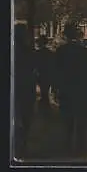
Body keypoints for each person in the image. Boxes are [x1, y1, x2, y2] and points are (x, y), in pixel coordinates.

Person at [54, 23, 87, 153]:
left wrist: (56, 88)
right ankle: (80, 147)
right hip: (81, 91)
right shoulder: (84, 51)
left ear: (66, 35)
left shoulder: (61, 51)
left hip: (66, 90)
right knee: (81, 120)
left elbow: (56, 71)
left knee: (67, 120)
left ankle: (67, 147)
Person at [13, 23, 37, 157]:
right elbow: (33, 68)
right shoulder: (28, 50)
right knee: (26, 115)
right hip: (26, 86)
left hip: (17, 86)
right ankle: (23, 143)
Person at [34, 35, 56, 112]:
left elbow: (35, 64)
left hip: (40, 74)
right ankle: (45, 103)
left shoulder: (37, 53)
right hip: (48, 74)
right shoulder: (51, 53)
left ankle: (44, 102)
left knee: (43, 89)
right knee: (45, 89)